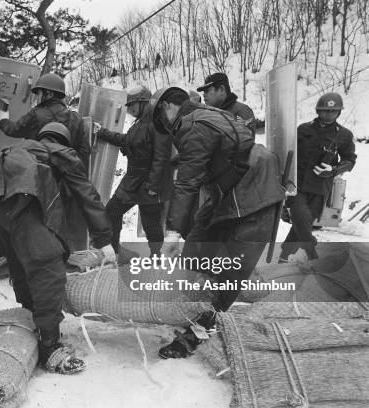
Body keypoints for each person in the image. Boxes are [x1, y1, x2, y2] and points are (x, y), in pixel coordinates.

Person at [0, 122, 116, 374]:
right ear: (64, 140)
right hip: (21, 204)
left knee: (22, 263)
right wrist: (104, 239)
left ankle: (32, 317)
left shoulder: (19, 148)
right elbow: (87, 195)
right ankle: (49, 345)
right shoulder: (62, 154)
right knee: (47, 268)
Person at [151, 87, 284, 358]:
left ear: (167, 107)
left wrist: (173, 233)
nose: (166, 128)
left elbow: (187, 182)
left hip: (257, 194)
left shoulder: (191, 125)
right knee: (197, 248)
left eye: (162, 120)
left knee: (232, 270)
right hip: (231, 191)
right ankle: (193, 305)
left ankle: (198, 332)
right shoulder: (207, 114)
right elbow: (220, 149)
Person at [94, 85, 173, 256]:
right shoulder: (139, 124)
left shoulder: (157, 123)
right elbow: (126, 140)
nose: (129, 110)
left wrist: (153, 186)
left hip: (150, 181)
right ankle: (116, 252)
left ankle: (158, 257)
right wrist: (103, 133)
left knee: (150, 223)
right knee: (112, 211)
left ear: (144, 103)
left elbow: (162, 157)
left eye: (132, 105)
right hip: (133, 180)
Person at [280, 92, 356, 262]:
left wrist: (333, 169)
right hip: (297, 186)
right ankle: (312, 253)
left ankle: (283, 258)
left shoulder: (344, 135)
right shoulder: (303, 129)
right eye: (324, 111)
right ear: (317, 110)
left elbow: (350, 160)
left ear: (339, 113)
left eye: (333, 111)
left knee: (301, 226)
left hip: (320, 189)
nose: (328, 114)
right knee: (300, 215)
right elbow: (287, 153)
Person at [0, 72, 91, 169]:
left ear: (49, 94)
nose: (37, 98)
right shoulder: (76, 118)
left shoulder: (36, 114)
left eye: (38, 94)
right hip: (64, 175)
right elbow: (84, 151)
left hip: (37, 173)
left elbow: (14, 130)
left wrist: (2, 120)